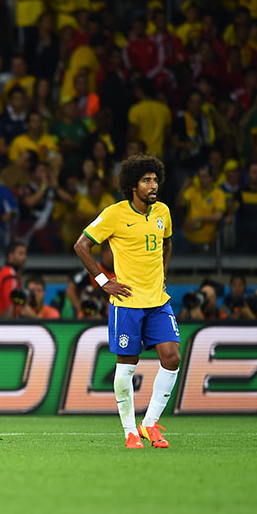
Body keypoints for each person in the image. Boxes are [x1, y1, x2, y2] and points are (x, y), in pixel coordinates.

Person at [74, 154, 180, 449]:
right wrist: (104, 282)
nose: (153, 185)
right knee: (127, 365)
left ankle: (150, 424)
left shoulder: (163, 212)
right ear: (133, 185)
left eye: (155, 179)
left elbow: (167, 242)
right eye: (147, 180)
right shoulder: (114, 214)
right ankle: (130, 431)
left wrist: (163, 275)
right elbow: (81, 245)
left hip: (158, 299)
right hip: (127, 301)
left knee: (172, 358)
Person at [0, 241, 27, 318]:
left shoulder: (4, 272)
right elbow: (14, 306)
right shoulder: (9, 276)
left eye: (25, 254)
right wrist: (38, 319)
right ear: (11, 255)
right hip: (4, 327)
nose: (24, 258)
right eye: (20, 254)